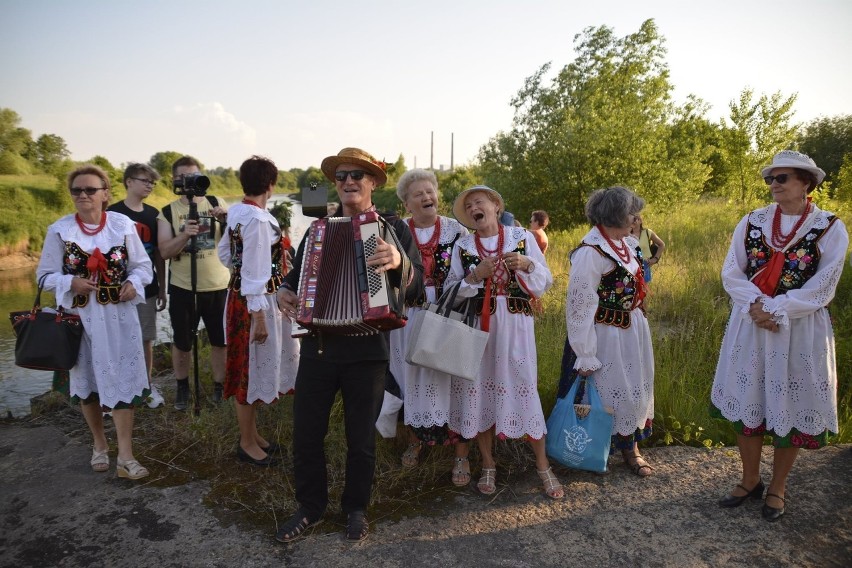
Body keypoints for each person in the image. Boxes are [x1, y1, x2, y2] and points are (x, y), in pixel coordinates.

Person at [276, 147, 424, 543]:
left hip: (367, 350)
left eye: (357, 174)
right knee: (306, 435)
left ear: (373, 181)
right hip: (319, 346)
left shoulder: (394, 229)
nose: (348, 182)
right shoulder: (319, 229)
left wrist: (399, 263)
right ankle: (310, 507)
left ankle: (356, 508)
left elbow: (419, 287)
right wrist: (285, 293)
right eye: (341, 176)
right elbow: (295, 277)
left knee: (361, 440)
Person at [711, 150, 848, 522]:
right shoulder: (752, 222)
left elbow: (824, 285)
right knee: (750, 398)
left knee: (790, 401)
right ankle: (750, 478)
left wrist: (779, 308)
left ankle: (778, 486)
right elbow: (731, 271)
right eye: (770, 179)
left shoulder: (830, 227)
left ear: (805, 182)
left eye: (781, 178)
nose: (773, 184)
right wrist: (757, 304)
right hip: (752, 325)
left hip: (799, 330)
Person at [445, 185, 564, 500]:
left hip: (515, 327)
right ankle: (488, 464)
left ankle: (542, 465)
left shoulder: (521, 237)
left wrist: (527, 265)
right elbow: (451, 293)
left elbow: (545, 280)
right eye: (468, 206)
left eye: (479, 202)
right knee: (479, 390)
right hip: (478, 330)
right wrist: (475, 276)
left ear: (495, 205)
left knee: (525, 387)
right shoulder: (463, 246)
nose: (474, 208)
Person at [36, 165, 153, 479]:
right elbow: (44, 277)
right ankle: (99, 444)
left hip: (120, 319)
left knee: (125, 381)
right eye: (77, 190)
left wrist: (134, 284)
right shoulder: (59, 230)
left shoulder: (122, 224)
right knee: (87, 384)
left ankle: (126, 457)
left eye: (90, 189)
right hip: (81, 319)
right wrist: (69, 283)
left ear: (106, 194)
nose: (83, 195)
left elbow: (143, 267)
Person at [561, 186, 655, 477]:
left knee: (632, 391)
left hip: (631, 333)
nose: (635, 218)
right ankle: (591, 450)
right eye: (631, 213)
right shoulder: (590, 252)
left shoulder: (628, 243)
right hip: (603, 335)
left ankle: (631, 448)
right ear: (615, 215)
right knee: (601, 394)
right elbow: (579, 305)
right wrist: (585, 353)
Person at [388, 168, 471, 483]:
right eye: (418, 194)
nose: (426, 197)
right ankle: (416, 440)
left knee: (453, 380)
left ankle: (461, 456)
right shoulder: (396, 231)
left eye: (430, 191)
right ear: (407, 204)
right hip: (408, 317)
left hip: (447, 315)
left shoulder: (456, 232)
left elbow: (468, 275)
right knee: (413, 381)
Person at [217, 156, 299, 467]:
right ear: (271, 185)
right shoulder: (260, 220)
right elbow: (256, 270)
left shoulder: (238, 212)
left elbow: (225, 253)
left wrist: (241, 276)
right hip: (257, 302)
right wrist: (259, 314)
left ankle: (253, 435)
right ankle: (247, 442)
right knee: (248, 371)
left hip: (239, 297)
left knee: (249, 366)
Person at [157, 156, 229, 410]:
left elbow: (237, 238)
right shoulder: (167, 212)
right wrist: (185, 235)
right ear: (176, 180)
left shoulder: (216, 203)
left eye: (195, 175)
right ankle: (183, 388)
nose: (191, 181)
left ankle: (220, 387)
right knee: (182, 341)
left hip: (218, 285)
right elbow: (164, 252)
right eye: (185, 177)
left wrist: (227, 218)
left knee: (220, 341)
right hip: (183, 287)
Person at [108, 163, 166, 409]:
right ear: (129, 182)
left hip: (148, 289)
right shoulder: (112, 213)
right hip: (115, 291)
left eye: (152, 182)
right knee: (116, 341)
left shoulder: (154, 214)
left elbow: (159, 256)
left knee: (145, 339)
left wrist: (162, 286)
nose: (149, 185)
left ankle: (145, 387)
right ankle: (116, 393)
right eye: (145, 180)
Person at [629, 214, 665, 283]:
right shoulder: (626, 233)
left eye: (636, 218)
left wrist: (655, 259)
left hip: (645, 265)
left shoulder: (647, 232)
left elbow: (662, 245)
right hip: (629, 265)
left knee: (643, 291)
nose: (634, 220)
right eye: (632, 218)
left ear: (640, 221)